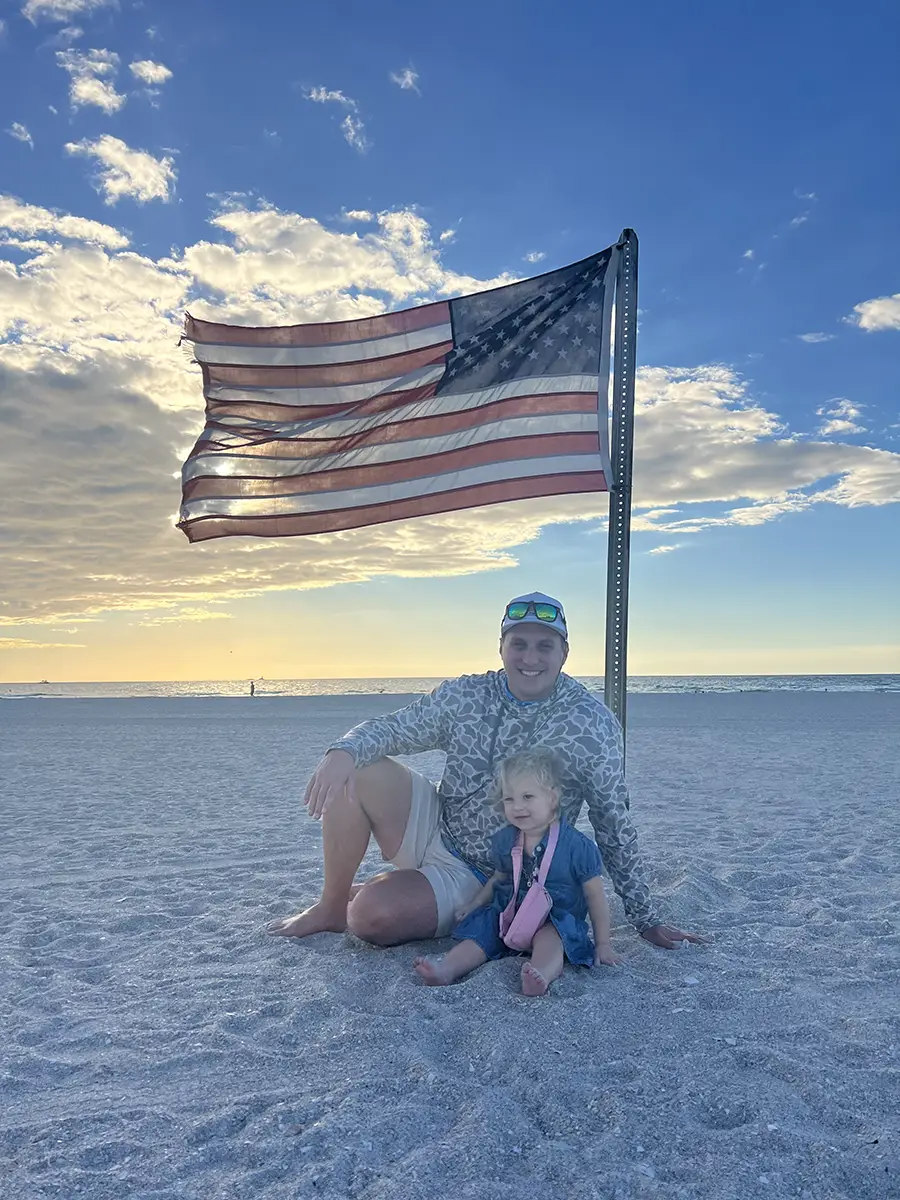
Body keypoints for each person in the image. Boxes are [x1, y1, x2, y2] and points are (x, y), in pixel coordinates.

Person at [267, 591, 701, 951]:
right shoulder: (467, 694)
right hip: (439, 823)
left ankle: (388, 896)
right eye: (519, 644)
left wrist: (646, 919)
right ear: (501, 648)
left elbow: (613, 823)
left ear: (565, 653)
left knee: (370, 917)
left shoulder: (591, 724)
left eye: (545, 646)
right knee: (357, 769)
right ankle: (330, 907)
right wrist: (343, 750)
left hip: (489, 873)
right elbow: (396, 728)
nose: (530, 658)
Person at [413, 747, 621, 995]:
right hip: (511, 912)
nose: (517, 806)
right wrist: (475, 904)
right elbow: (498, 877)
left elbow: (595, 897)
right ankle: (447, 969)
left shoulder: (577, 846)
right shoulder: (507, 839)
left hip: (555, 917)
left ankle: (540, 974)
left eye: (527, 796)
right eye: (509, 799)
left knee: (552, 938)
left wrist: (603, 943)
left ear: (552, 797)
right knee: (483, 932)